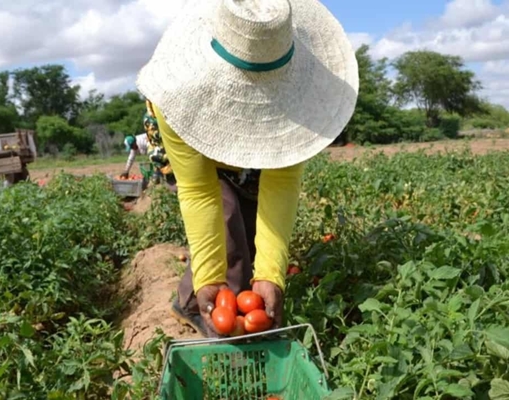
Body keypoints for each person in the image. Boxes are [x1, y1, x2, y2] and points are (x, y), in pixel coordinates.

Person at [135, 0, 359, 337]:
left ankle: (213, 298)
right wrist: (212, 280)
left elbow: (281, 180)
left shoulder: (296, 106)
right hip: (188, 146)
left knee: (253, 233)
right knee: (230, 240)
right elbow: (198, 191)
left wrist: (271, 275)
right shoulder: (176, 96)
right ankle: (196, 304)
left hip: (254, 159)